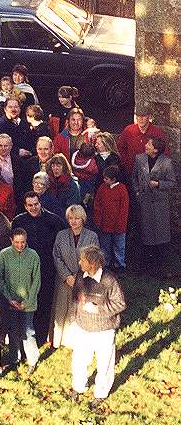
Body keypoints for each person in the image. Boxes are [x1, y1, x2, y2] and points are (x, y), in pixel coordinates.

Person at [70, 246, 126, 409]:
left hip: (104, 329)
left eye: (83, 261)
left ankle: (101, 393)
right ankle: (78, 386)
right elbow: (75, 297)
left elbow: (120, 303)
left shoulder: (109, 280)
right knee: (79, 359)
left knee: (104, 363)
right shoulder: (81, 275)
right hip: (82, 327)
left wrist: (99, 309)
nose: (80, 263)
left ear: (92, 264)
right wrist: (74, 318)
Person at [12, 191, 64, 341]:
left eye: (36, 204)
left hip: (47, 267)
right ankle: (26, 333)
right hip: (26, 267)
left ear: (40, 203)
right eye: (30, 205)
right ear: (25, 206)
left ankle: (42, 335)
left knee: (44, 300)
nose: (33, 208)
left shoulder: (53, 221)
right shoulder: (19, 221)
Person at [51, 205, 99, 349]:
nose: (73, 221)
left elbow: (94, 259)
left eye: (77, 218)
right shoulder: (61, 235)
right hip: (64, 279)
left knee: (80, 309)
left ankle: (77, 341)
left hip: (83, 279)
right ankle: (60, 338)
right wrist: (66, 276)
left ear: (83, 219)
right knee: (62, 309)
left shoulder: (92, 236)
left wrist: (79, 277)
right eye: (71, 218)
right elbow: (56, 256)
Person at [0, 227, 41, 375]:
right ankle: (15, 358)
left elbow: (36, 281)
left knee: (28, 332)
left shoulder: (33, 256)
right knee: (13, 331)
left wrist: (27, 302)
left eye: (22, 242)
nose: (20, 245)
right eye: (16, 242)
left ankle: (32, 360)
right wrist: (10, 299)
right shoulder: (4, 255)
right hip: (11, 302)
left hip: (28, 303)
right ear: (11, 241)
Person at [132, 137, 176, 277]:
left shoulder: (167, 163)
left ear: (155, 150)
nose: (145, 145)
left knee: (160, 236)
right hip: (144, 203)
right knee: (145, 234)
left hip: (159, 205)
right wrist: (137, 191)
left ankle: (160, 268)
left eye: (149, 144)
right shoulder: (139, 159)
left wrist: (159, 184)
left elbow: (172, 182)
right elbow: (134, 177)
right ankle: (144, 268)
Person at [93, 166, 129, 271]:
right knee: (105, 246)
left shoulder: (122, 189)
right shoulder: (102, 188)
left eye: (106, 179)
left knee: (119, 246)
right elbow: (97, 204)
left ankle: (120, 264)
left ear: (113, 179)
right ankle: (105, 264)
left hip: (118, 225)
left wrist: (121, 224)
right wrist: (98, 220)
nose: (104, 180)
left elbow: (124, 208)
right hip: (105, 224)